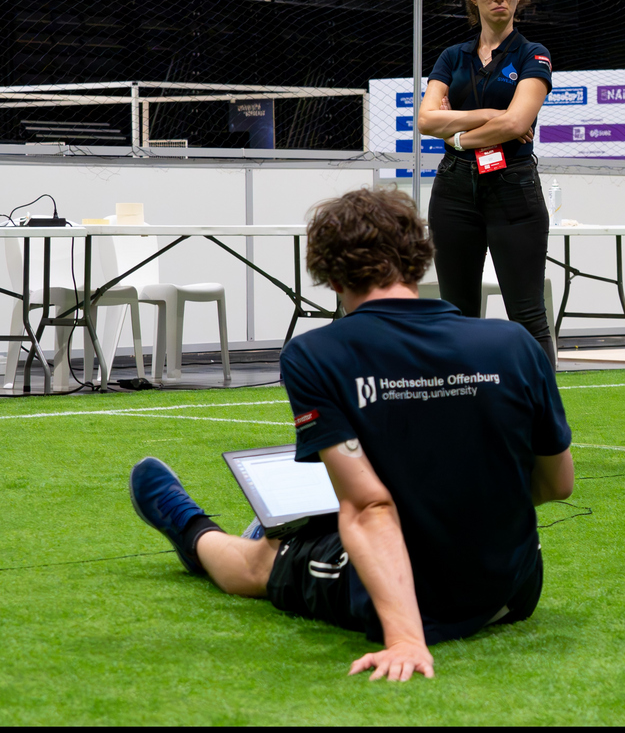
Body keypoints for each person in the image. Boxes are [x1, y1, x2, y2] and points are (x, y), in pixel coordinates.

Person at [127, 188, 573, 680]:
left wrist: (405, 637)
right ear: (418, 258)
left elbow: (368, 506)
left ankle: (191, 529)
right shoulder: (513, 342)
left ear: (329, 275)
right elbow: (557, 485)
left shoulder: (316, 355)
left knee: (257, 562)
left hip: (414, 597)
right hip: (514, 589)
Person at [418, 0, 556, 366]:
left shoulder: (533, 54)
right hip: (454, 190)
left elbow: (516, 125)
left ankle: (541, 421)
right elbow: (425, 121)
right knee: (455, 314)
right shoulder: (451, 57)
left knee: (528, 315)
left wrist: (457, 131)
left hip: (513, 187)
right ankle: (464, 412)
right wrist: (490, 114)